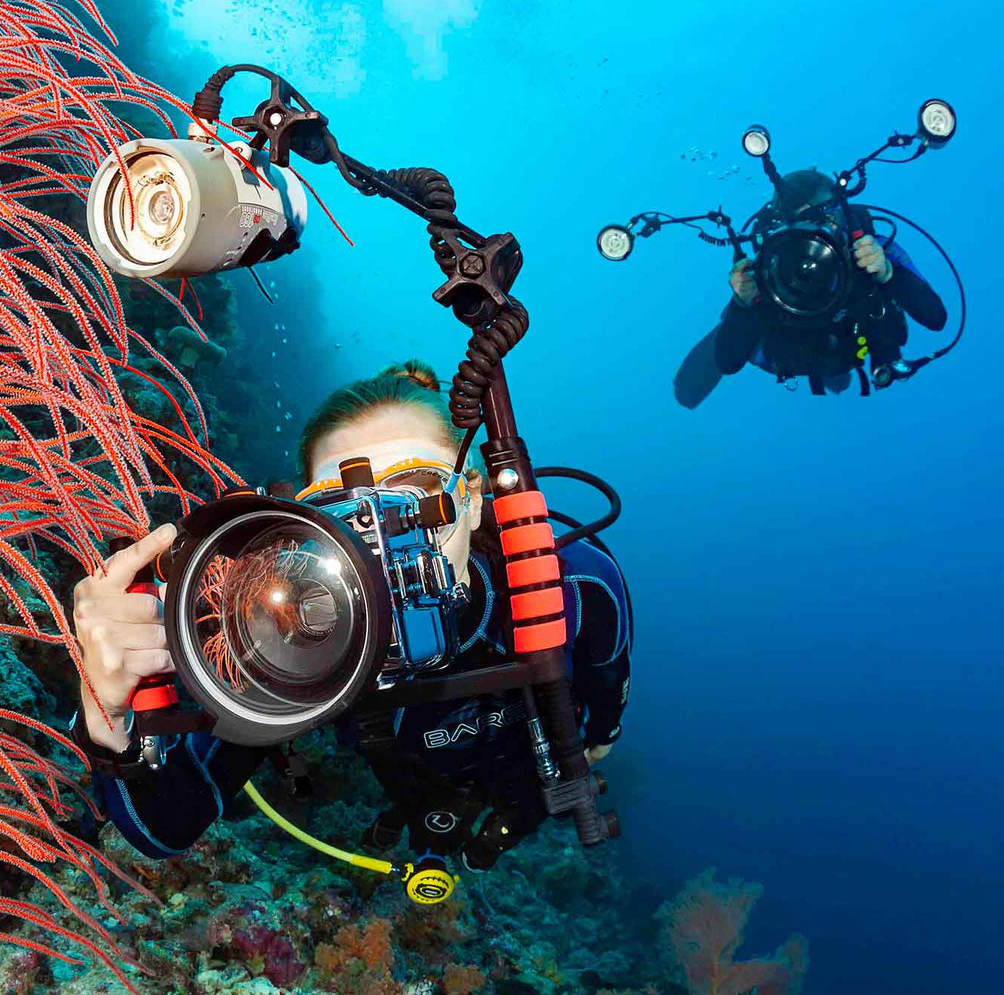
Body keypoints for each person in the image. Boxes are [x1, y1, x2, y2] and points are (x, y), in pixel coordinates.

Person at [68, 361, 631, 869]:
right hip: (405, 778)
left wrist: (599, 736)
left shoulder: (567, 584)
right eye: (345, 514)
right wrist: (110, 720)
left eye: (415, 492)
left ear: (474, 497)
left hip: (528, 762)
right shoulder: (282, 639)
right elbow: (164, 829)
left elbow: (606, 685)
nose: (386, 542)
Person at [709, 170, 947, 396]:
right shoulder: (770, 265)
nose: (815, 232)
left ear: (842, 216)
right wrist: (742, 302)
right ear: (780, 227)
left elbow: (936, 317)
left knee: (843, 372)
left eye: (822, 219)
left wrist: (888, 273)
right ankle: (732, 320)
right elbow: (728, 362)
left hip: (850, 345)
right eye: (801, 222)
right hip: (793, 353)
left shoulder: (871, 249)